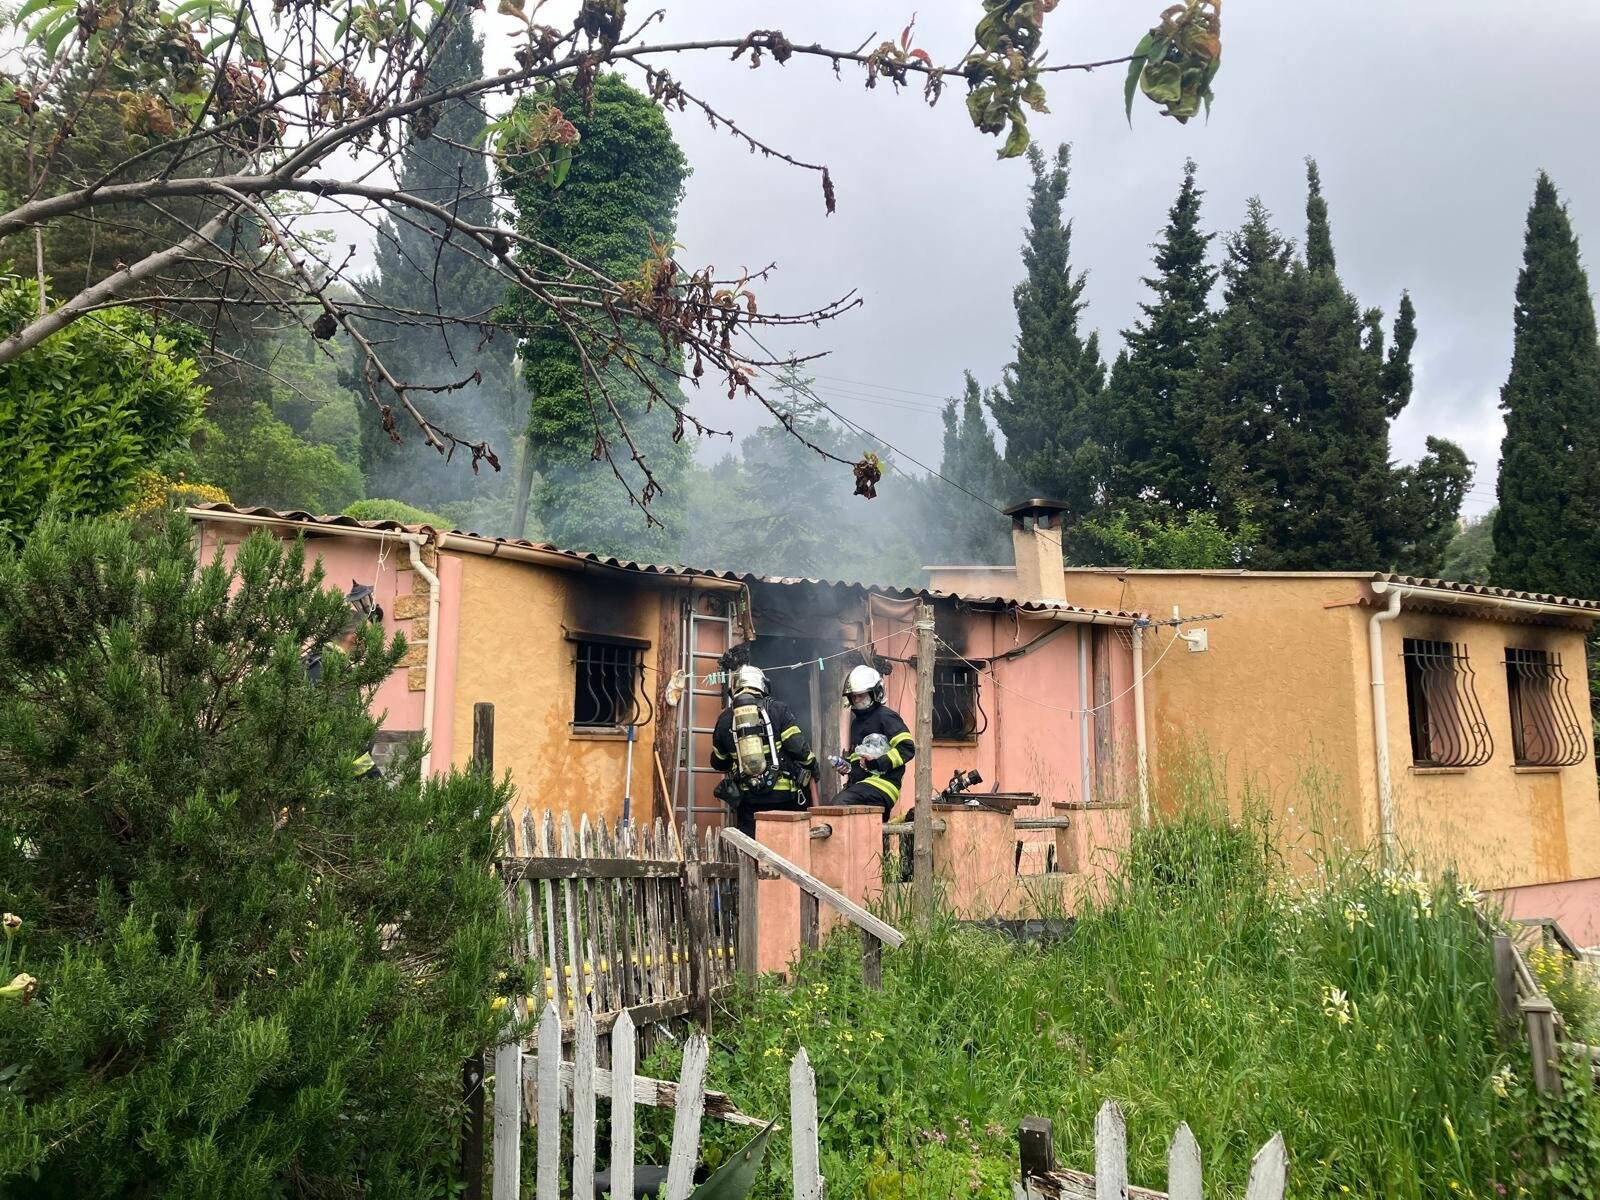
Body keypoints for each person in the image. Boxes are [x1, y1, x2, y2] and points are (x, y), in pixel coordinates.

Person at [710, 665, 817, 836]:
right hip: (783, 797)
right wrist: (812, 765)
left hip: (749, 798)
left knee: (752, 847)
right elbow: (798, 748)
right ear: (762, 684)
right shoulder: (778, 709)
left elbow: (719, 762)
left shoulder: (724, 719)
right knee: (787, 845)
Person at [304, 581, 385, 781]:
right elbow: (344, 736)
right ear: (355, 637)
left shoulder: (311, 663)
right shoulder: (334, 670)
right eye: (369, 637)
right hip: (327, 788)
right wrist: (374, 782)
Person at [832, 664, 915, 820]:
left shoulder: (886, 716)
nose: (857, 700)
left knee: (839, 805)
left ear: (876, 693)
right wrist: (848, 767)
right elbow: (860, 765)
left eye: (861, 695)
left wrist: (878, 763)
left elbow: (907, 748)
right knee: (838, 812)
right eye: (854, 696)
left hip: (884, 784)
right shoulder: (856, 723)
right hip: (864, 785)